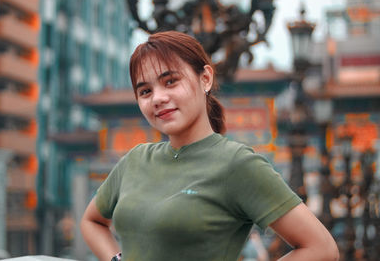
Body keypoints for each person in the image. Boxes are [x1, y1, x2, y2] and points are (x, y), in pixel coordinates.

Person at [81, 31, 339, 261]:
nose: (158, 98)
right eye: (145, 91)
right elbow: (91, 221)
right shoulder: (135, 160)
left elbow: (321, 248)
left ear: (205, 78)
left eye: (170, 81)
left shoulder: (236, 164)